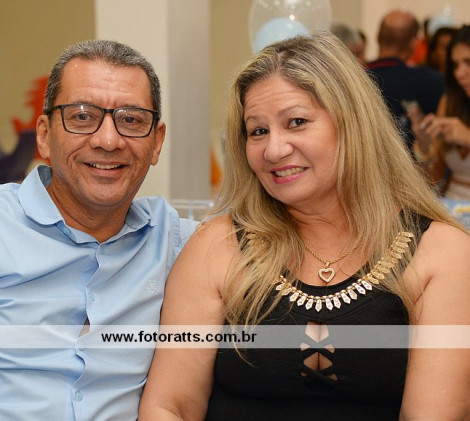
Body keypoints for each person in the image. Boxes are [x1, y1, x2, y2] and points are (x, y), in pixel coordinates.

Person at [138, 32, 470, 420]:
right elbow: (169, 405)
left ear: (353, 124)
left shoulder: (441, 253)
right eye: (258, 131)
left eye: (296, 122)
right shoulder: (217, 245)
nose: (274, 150)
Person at [0, 39, 198, 420]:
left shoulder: (177, 244)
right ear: (44, 135)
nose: (108, 140)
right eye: (82, 116)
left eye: (131, 120)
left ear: (156, 142)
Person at [367, 9, 444, 152]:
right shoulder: (433, 82)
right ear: (413, 44)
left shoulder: (354, 78)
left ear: (378, 37)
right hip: (413, 164)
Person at [412, 25, 470, 200]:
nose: (459, 73)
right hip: (451, 206)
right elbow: (433, 178)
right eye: (455, 65)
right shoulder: (449, 102)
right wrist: (424, 147)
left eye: (468, 62)